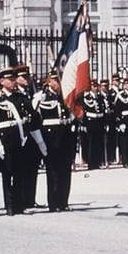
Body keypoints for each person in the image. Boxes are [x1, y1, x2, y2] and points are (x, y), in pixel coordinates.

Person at [0, 68, 28, 215]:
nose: (12, 82)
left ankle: (19, 204)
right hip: (5, 140)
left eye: (13, 79)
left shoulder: (20, 98)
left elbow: (29, 118)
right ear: (2, 82)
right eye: (9, 79)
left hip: (19, 138)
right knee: (7, 173)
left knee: (19, 172)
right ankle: (9, 205)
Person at [35, 70, 74, 212]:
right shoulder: (42, 97)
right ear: (49, 81)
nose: (59, 83)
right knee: (53, 171)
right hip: (51, 138)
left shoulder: (65, 96)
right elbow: (37, 119)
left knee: (65, 170)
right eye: (56, 80)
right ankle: (54, 202)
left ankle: (64, 201)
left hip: (65, 137)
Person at [13, 65, 47, 208]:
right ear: (16, 79)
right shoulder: (15, 95)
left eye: (27, 77)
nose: (26, 79)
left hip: (34, 135)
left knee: (32, 169)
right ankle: (20, 201)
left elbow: (35, 117)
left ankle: (29, 199)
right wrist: (34, 103)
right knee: (21, 170)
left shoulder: (30, 92)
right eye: (23, 77)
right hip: (22, 136)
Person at [112, 77, 128, 168]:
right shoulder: (120, 96)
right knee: (125, 143)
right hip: (125, 121)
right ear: (125, 85)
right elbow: (117, 111)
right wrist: (120, 123)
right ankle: (125, 161)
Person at [81, 79, 107, 169]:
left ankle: (97, 162)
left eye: (96, 86)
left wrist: (104, 122)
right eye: (93, 86)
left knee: (98, 143)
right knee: (91, 144)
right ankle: (91, 163)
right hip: (90, 122)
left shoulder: (100, 97)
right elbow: (84, 112)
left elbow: (103, 110)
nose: (95, 88)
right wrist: (83, 124)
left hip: (99, 121)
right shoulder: (87, 97)